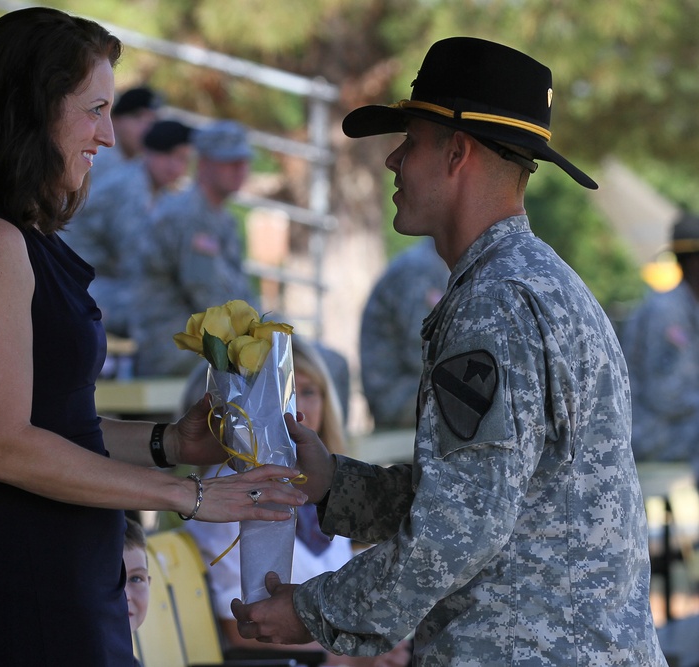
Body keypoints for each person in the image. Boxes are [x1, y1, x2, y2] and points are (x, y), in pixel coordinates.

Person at [230, 37, 665, 665]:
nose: (394, 162)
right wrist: (334, 485)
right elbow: (487, 494)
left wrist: (312, 610)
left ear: (457, 152)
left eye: (411, 141)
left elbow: (462, 527)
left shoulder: (494, 302)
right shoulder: (536, 280)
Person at [0, 9, 306, 665]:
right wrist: (190, 493)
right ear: (32, 110)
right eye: (94, 109)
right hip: (25, 584)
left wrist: (169, 442)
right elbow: (2, 446)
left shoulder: (19, 238)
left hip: (68, 578)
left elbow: (57, 424)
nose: (110, 136)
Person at [185, 339, 411, 667]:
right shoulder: (228, 487)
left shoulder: (323, 488)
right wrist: (348, 658)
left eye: (308, 391)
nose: (295, 409)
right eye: (279, 394)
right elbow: (241, 628)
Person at [130, 119, 259, 377]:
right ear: (203, 164)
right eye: (229, 161)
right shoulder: (186, 216)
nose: (240, 169)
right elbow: (209, 298)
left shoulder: (221, 218)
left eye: (243, 161)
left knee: (306, 359)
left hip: (205, 343)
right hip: (175, 348)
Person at [64, 119, 194, 337]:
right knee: (164, 311)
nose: (176, 166)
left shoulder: (153, 188)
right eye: (167, 155)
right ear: (149, 152)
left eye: (183, 159)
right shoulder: (131, 190)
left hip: (96, 279)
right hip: (74, 284)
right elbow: (135, 263)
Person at [620, 209, 699, 473]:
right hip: (649, 430)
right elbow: (666, 395)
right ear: (693, 263)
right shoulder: (668, 313)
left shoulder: (686, 306)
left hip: (672, 425)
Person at [359, 237, 448, 429]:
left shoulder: (437, 264)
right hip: (396, 394)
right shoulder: (420, 269)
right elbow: (420, 354)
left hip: (415, 388)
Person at [90, 85, 163, 177]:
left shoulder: (144, 165)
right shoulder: (94, 157)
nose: (147, 127)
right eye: (138, 117)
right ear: (115, 120)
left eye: (152, 121)